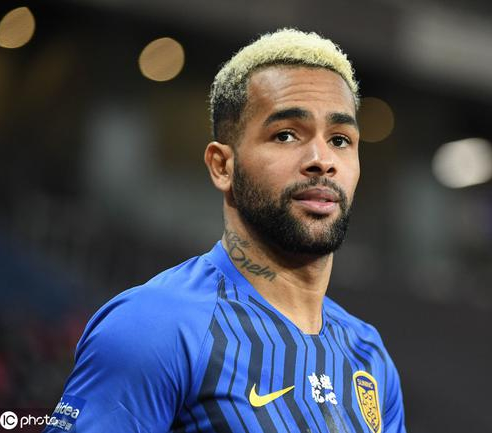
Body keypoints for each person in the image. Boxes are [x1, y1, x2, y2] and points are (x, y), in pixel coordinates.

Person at [43, 28, 406, 433]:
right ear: (222, 166)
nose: (322, 160)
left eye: (340, 139)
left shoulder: (368, 357)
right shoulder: (153, 327)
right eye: (286, 135)